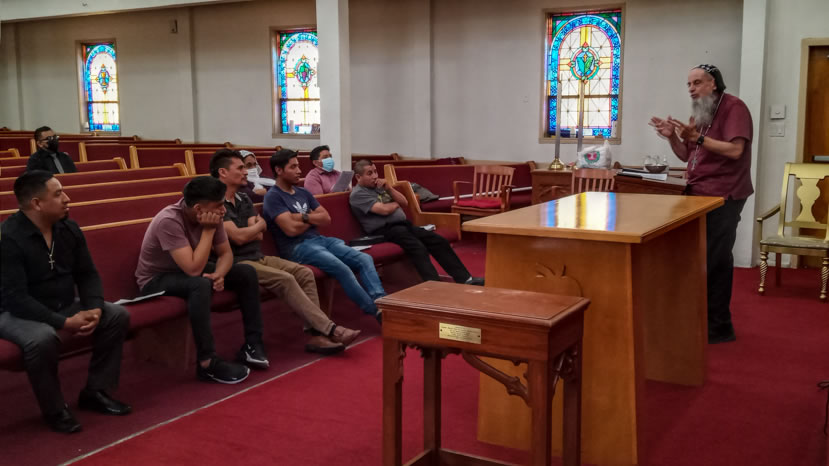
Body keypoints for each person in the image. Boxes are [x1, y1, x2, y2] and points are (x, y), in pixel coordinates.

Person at [0, 171, 130, 433]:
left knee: (116, 315)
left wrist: (94, 307)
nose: (67, 199)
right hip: (15, 313)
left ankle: (96, 391)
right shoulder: (9, 238)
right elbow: (16, 298)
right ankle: (55, 409)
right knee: (41, 339)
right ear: (37, 203)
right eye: (58, 194)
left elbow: (87, 273)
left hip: (63, 304)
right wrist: (64, 322)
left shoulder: (68, 228)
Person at [210, 149, 362, 354]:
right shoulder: (214, 202)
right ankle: (329, 329)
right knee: (286, 279)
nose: (246, 172)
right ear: (223, 172)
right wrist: (255, 228)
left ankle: (316, 336)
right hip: (236, 262)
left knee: (304, 273)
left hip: (257, 256)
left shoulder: (243, 199)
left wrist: (253, 229)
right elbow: (238, 237)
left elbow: (259, 233)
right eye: (241, 168)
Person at [649, 64, 753, 344]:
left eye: (697, 83)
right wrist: (672, 137)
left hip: (724, 194)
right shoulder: (701, 112)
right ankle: (697, 319)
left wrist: (699, 138)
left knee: (716, 259)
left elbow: (736, 150)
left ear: (714, 84)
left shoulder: (734, 108)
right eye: (689, 84)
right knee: (698, 259)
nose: (691, 89)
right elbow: (687, 155)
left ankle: (719, 327)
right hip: (697, 192)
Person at [135, 176, 268, 384]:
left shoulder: (213, 214)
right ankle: (207, 362)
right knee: (200, 284)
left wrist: (220, 273)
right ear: (198, 208)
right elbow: (193, 269)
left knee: (246, 272)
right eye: (219, 205)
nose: (223, 210)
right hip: (156, 279)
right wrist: (208, 231)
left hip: (188, 269)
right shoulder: (169, 220)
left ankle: (253, 344)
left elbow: (226, 254)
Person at [263, 149, 386, 321]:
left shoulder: (303, 193)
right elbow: (290, 230)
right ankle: (376, 312)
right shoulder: (273, 197)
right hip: (297, 247)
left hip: (320, 240)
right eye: (293, 167)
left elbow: (326, 218)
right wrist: (312, 218)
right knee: (342, 268)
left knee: (364, 259)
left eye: (298, 166)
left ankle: (382, 302)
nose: (299, 170)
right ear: (279, 170)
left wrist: (302, 217)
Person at [350, 160, 484, 286]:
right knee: (417, 247)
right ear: (358, 177)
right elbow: (384, 210)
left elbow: (404, 202)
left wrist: (389, 188)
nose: (375, 176)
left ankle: (465, 278)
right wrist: (396, 204)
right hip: (384, 231)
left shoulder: (380, 187)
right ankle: (433, 285)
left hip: (402, 226)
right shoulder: (358, 194)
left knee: (438, 240)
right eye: (369, 173)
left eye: (375, 172)